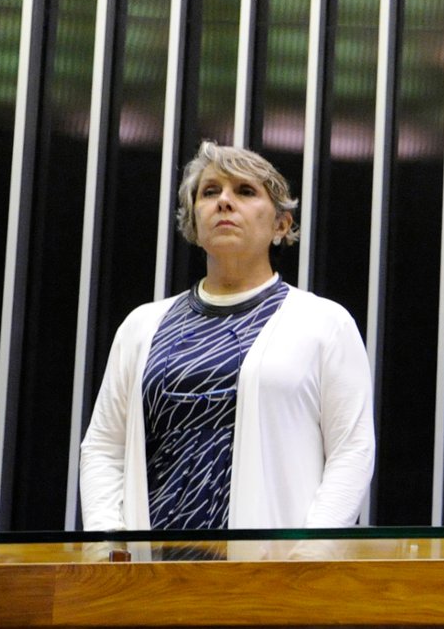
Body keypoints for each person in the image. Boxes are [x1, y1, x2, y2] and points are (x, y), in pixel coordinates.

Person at [80, 142, 375, 559]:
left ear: (280, 225)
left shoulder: (324, 323)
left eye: (245, 191)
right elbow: (104, 447)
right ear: (193, 222)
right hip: (149, 583)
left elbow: (352, 450)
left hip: (275, 583)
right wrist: (107, 545)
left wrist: (313, 553)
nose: (224, 202)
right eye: (210, 191)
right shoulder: (141, 327)